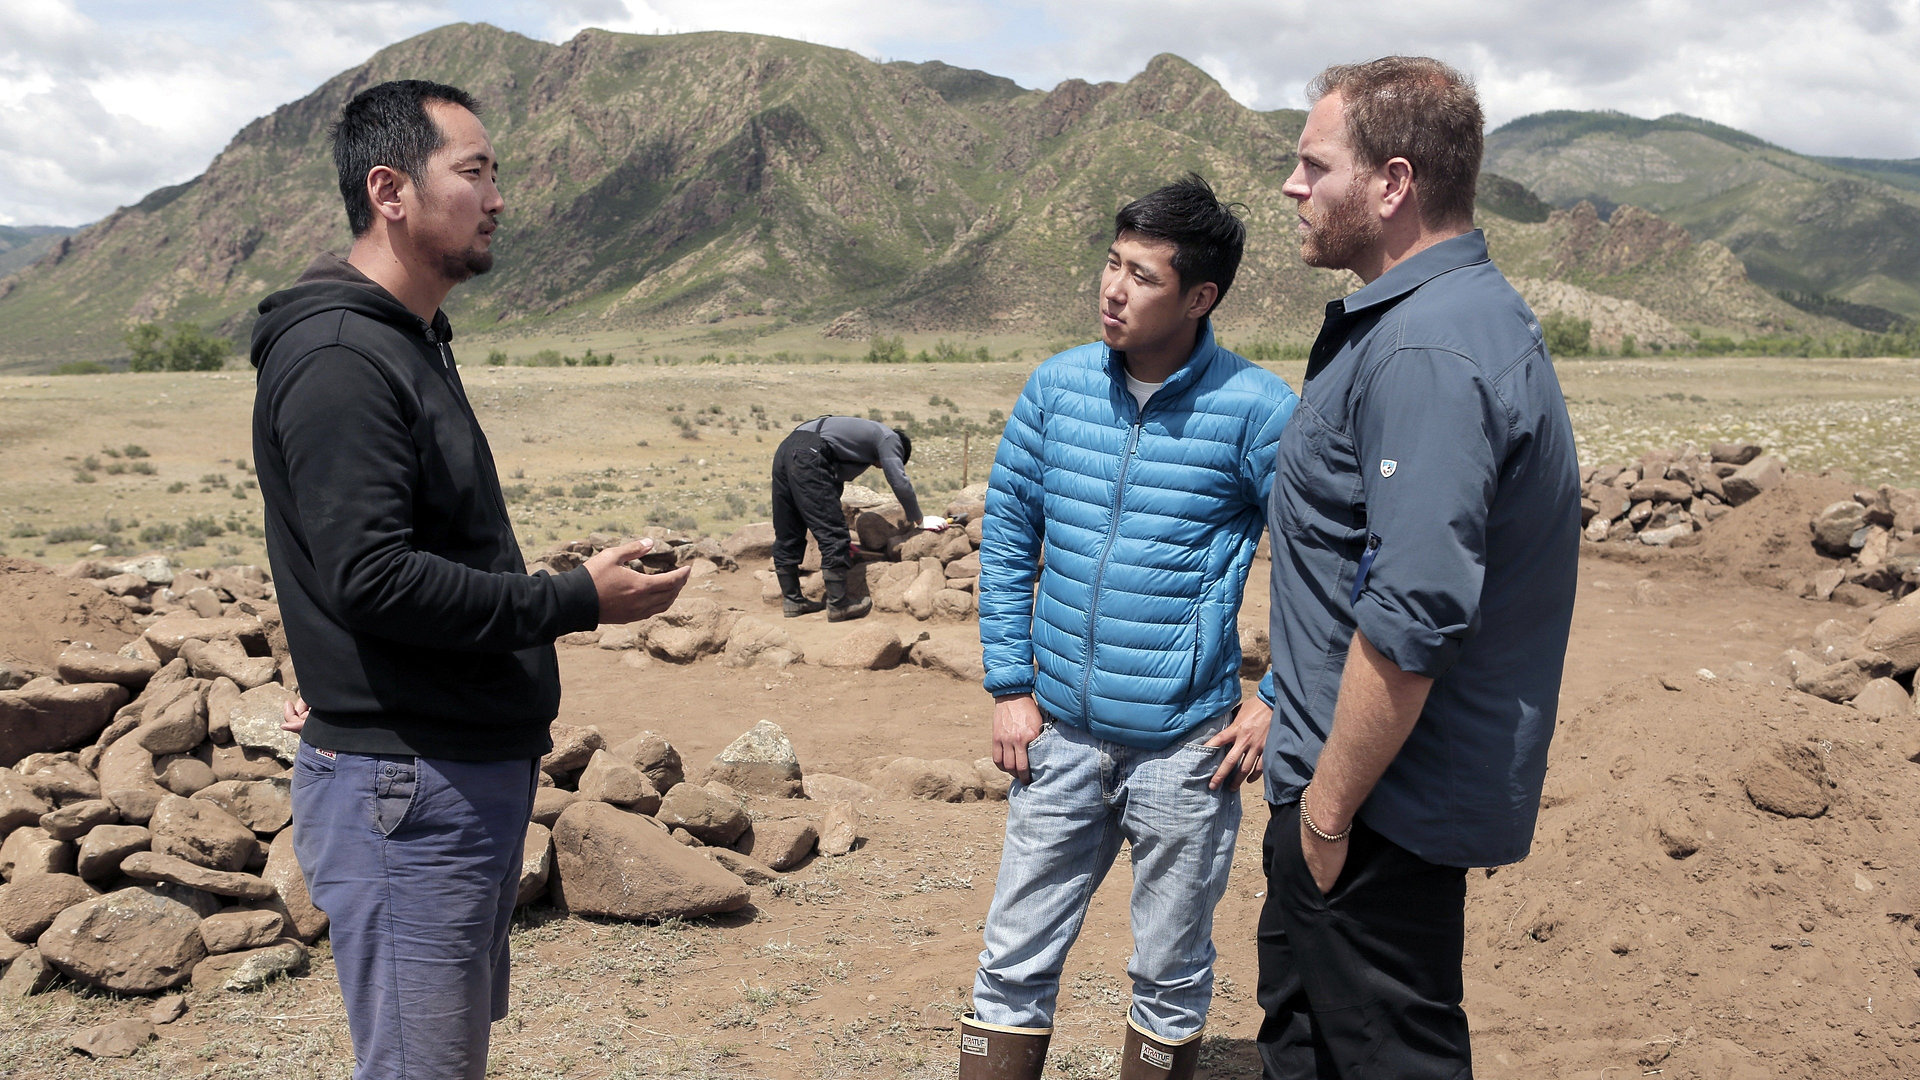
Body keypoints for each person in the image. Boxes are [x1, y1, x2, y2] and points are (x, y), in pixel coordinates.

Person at [249, 79, 688, 1080]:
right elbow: (372, 577)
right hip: (408, 786)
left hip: (442, 774)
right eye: (475, 173)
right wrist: (576, 599)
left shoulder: (406, 342)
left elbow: (381, 561)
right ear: (390, 190)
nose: (498, 199)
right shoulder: (340, 357)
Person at [1255, 57, 1581, 1079]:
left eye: (1314, 165)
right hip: (1350, 785)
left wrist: (1325, 814)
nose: (1291, 187)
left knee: (1390, 1056)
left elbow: (1414, 613)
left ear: (1391, 185)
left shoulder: (1427, 351)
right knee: (1311, 1048)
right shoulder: (1425, 322)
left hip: (1374, 813)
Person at [963, 174, 1298, 1080]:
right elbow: (1007, 541)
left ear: (1199, 297)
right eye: (1112, 264)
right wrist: (1010, 687)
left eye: (1142, 276)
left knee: (1170, 975)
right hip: (1057, 736)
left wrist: (1277, 697)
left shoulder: (1259, 410)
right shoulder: (1057, 388)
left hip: (1187, 751)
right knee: (1011, 964)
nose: (1113, 288)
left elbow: (1326, 567)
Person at [770, 414, 943, 621]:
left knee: (788, 527)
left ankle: (792, 600)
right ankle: (838, 605)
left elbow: (827, 488)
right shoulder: (889, 438)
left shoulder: (851, 439)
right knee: (834, 533)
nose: (878, 467)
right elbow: (898, 480)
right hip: (810, 452)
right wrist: (919, 519)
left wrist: (825, 522)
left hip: (786, 449)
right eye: (880, 464)